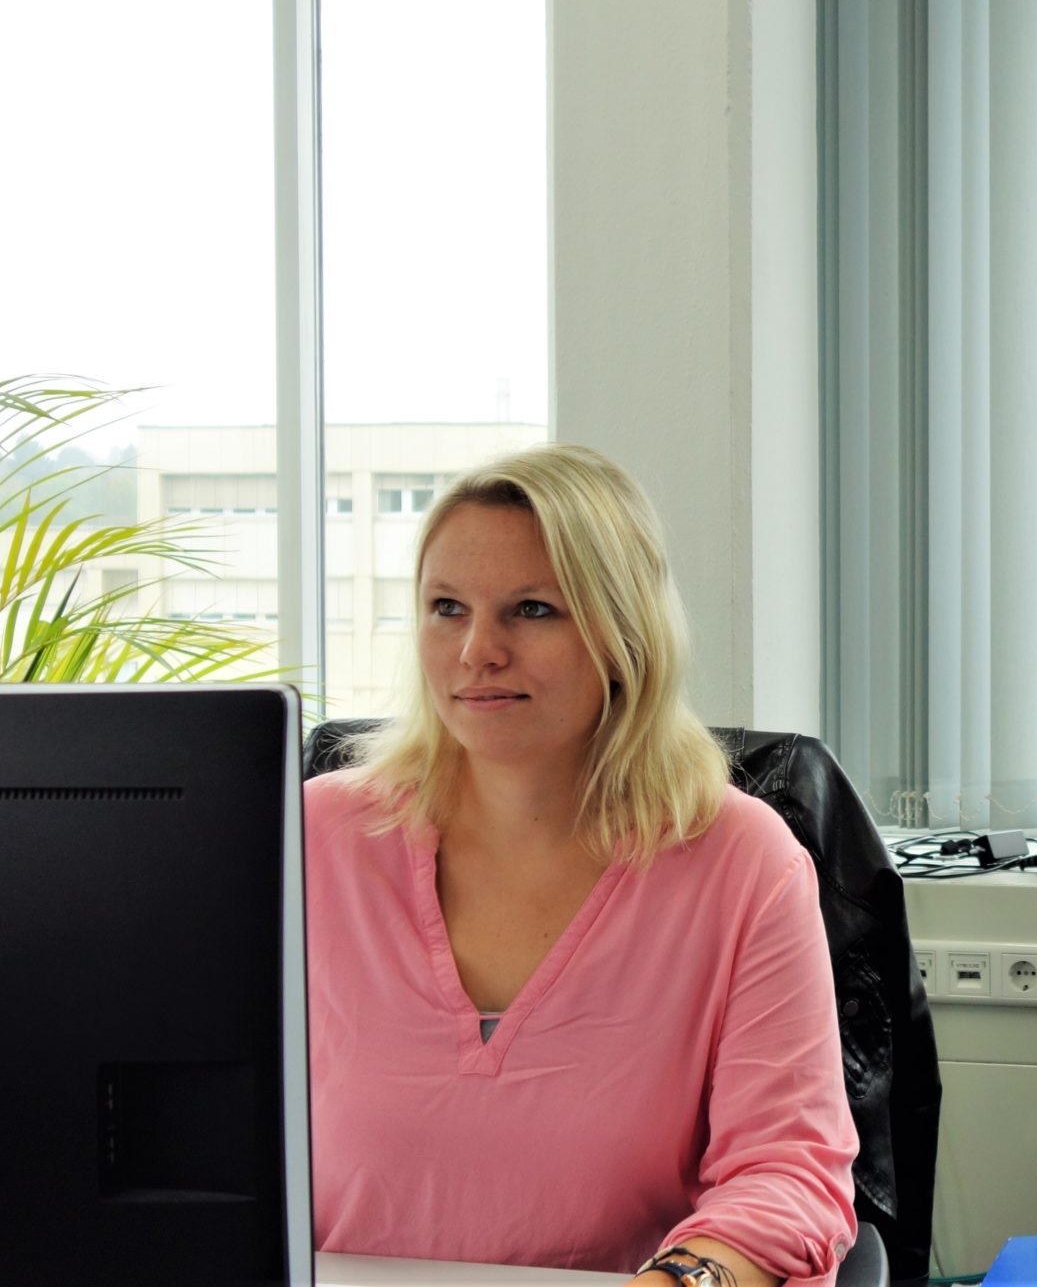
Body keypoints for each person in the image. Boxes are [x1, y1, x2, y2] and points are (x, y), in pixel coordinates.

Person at [302, 443, 859, 1287]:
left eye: (531, 610)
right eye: (446, 607)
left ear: (622, 631)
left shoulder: (741, 863)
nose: (476, 650)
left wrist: (682, 1282)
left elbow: (787, 1171)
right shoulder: (312, 842)